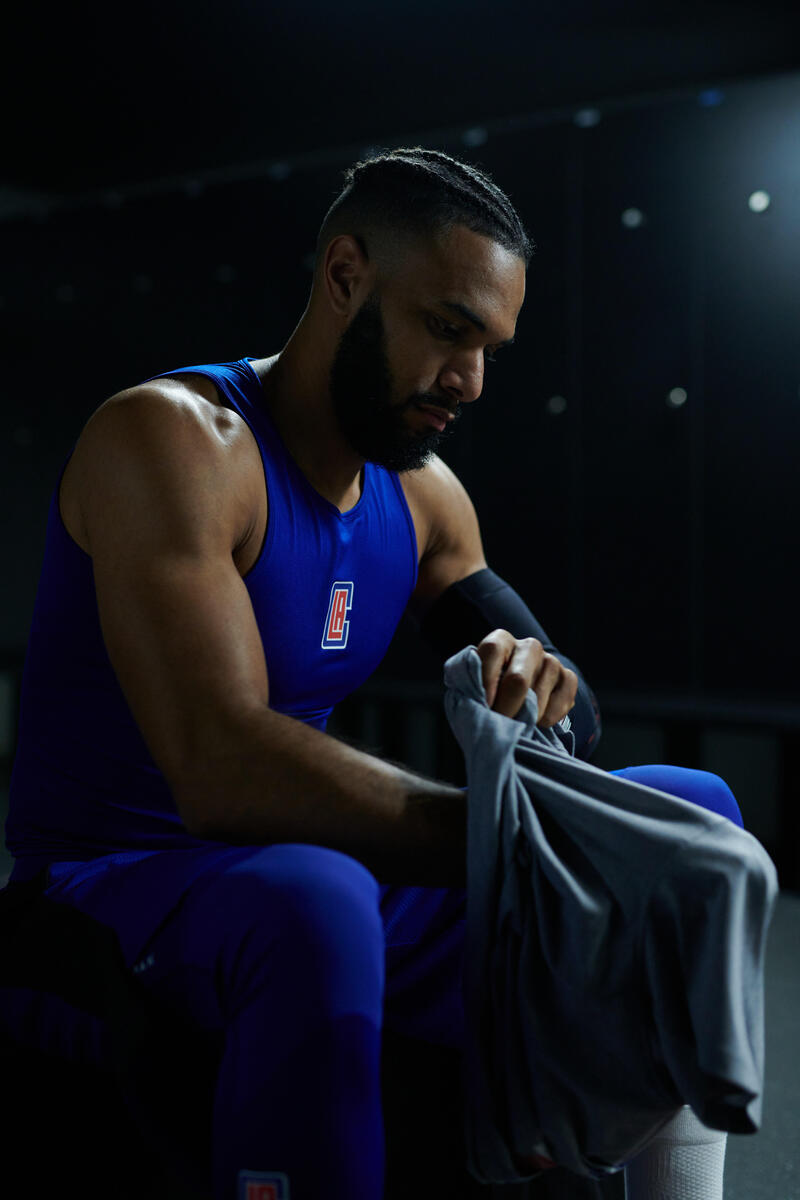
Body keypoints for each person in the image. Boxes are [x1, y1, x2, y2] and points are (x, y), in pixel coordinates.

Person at [2, 147, 740, 1200]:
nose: (471, 381)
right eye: (447, 330)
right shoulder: (174, 442)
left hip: (298, 866)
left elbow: (573, 725)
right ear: (345, 274)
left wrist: (535, 676)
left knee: (692, 818)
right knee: (318, 898)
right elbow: (220, 768)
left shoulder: (427, 498)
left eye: (488, 347)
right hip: (109, 881)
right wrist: (501, 846)